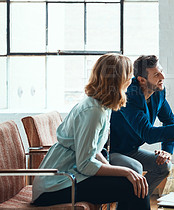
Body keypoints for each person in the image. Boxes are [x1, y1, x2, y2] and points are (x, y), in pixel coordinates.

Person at [32, 53, 150, 210]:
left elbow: (92, 150)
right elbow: (85, 165)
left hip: (70, 176)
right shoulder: (93, 111)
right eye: (129, 74)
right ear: (118, 79)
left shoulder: (102, 106)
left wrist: (118, 172)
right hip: (55, 186)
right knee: (136, 189)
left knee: (135, 184)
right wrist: (125, 171)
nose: (131, 78)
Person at [109, 55, 174, 195]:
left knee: (163, 166)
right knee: (136, 167)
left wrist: (166, 151)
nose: (162, 76)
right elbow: (148, 134)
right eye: (156, 74)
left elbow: (168, 120)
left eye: (161, 70)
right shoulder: (129, 96)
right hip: (112, 152)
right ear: (142, 80)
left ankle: (134, 200)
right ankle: (132, 203)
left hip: (131, 150)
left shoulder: (158, 92)